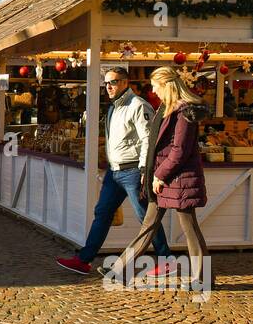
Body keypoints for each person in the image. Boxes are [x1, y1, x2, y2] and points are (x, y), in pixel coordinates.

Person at [57, 66, 170, 275]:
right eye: (106, 83)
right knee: (102, 213)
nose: (108, 86)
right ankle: (84, 260)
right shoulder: (113, 107)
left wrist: (145, 168)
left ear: (126, 82)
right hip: (115, 172)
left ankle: (166, 259)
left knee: (145, 216)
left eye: (114, 82)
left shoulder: (138, 105)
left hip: (134, 171)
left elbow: (148, 139)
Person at [107, 65, 210, 289]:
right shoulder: (166, 108)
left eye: (155, 86)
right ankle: (120, 271)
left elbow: (179, 150)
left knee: (189, 227)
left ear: (166, 85)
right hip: (162, 177)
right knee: (148, 226)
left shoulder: (184, 112)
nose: (153, 91)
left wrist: (159, 175)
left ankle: (202, 278)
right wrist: (150, 173)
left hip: (177, 178)